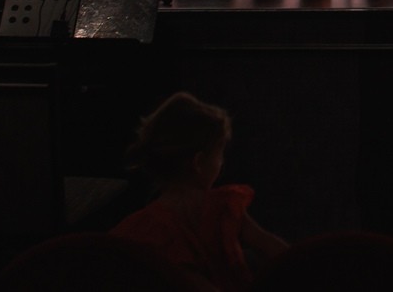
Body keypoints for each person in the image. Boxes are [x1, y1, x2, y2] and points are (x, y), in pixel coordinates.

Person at [114, 92, 287, 292]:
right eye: (219, 153)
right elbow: (277, 251)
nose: (222, 163)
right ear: (198, 162)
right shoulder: (222, 207)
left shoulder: (142, 227)